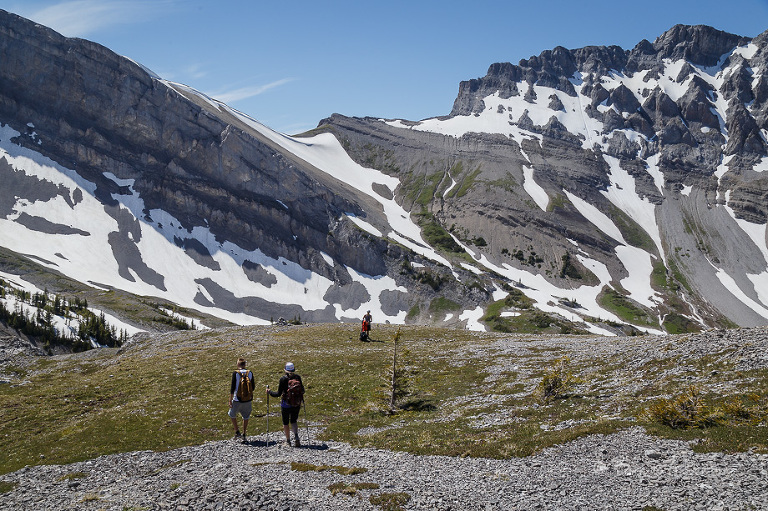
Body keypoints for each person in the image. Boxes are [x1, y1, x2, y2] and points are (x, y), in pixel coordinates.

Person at [267, 362, 304, 447]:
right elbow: (302, 390)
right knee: (294, 420)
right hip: (296, 403)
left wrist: (269, 392)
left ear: (285, 370)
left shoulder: (283, 379)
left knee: (286, 422)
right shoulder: (298, 377)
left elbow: (278, 394)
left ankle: (288, 441)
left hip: (286, 403)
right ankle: (296, 438)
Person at [228, 358, 254, 443]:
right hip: (247, 399)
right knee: (246, 417)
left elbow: (232, 388)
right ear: (245, 364)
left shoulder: (236, 373)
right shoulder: (250, 373)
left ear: (238, 364)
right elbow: (253, 386)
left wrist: (230, 400)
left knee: (232, 414)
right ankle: (244, 434)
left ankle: (237, 431)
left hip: (237, 399)